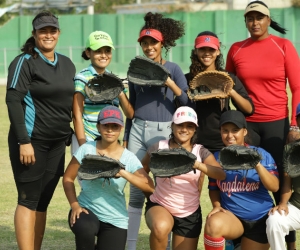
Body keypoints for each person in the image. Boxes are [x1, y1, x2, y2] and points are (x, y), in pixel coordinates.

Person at [225, 2, 300, 247]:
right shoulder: (236, 49)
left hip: (277, 123)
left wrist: (294, 126)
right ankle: (245, 238)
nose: (254, 22)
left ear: (268, 20)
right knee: (242, 178)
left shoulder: (283, 46)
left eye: (259, 18)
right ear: (246, 22)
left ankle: (288, 243)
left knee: (281, 185)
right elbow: (227, 87)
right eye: (250, 18)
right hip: (247, 125)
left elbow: (297, 87)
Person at [5, 11, 76, 250]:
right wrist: (24, 141)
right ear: (34, 34)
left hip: (58, 144)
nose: (48, 35)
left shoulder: (67, 63)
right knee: (28, 200)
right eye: (42, 31)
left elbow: (73, 101)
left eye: (52, 30)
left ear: (58, 33)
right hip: (31, 144)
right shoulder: (24, 62)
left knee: (43, 202)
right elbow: (13, 100)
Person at [124, 12, 189, 250]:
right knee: (135, 189)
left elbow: (187, 104)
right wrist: (126, 136)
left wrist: (170, 83)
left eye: (154, 42)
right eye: (145, 43)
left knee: (165, 188)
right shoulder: (135, 70)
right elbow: (131, 108)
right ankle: (130, 246)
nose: (149, 47)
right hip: (138, 130)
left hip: (164, 132)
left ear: (163, 44)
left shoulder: (173, 68)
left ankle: (167, 242)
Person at [63, 106, 154, 250]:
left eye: (114, 126)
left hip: (115, 218)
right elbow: (67, 178)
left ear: (121, 128)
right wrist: (75, 205)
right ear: (99, 127)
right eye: (106, 125)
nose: (110, 130)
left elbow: (150, 187)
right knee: (85, 229)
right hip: (86, 210)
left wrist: (123, 173)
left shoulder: (129, 158)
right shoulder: (86, 149)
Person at [142, 106, 226, 250]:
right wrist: (150, 193)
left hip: (189, 213)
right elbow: (141, 171)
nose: (184, 129)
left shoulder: (200, 151)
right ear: (172, 125)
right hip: (161, 205)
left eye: (189, 126)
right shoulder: (158, 147)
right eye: (180, 125)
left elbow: (221, 174)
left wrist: (197, 164)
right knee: (161, 227)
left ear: (195, 129)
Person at [203, 110, 279, 250]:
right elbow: (213, 188)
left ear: (244, 131)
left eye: (235, 130)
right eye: (225, 130)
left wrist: (256, 163)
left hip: (259, 220)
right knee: (213, 224)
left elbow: (274, 187)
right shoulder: (217, 157)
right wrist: (216, 205)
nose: (230, 135)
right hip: (232, 219)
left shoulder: (261, 154)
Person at [186, 30, 254, 153]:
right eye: (202, 49)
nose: (207, 53)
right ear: (196, 51)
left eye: (211, 49)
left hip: (221, 141)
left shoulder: (228, 78)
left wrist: (231, 92)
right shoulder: (188, 79)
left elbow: (249, 109)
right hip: (194, 142)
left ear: (217, 51)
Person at [72, 30, 134, 155]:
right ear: (88, 53)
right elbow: (76, 115)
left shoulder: (115, 79)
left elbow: (130, 114)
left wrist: (119, 91)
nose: (104, 55)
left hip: (109, 140)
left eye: (107, 51)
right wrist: (83, 145)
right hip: (87, 138)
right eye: (98, 51)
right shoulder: (82, 77)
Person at [266, 103, 300, 250]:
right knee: (275, 220)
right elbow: (287, 181)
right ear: (298, 122)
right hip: (298, 206)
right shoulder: (291, 149)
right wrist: (283, 202)